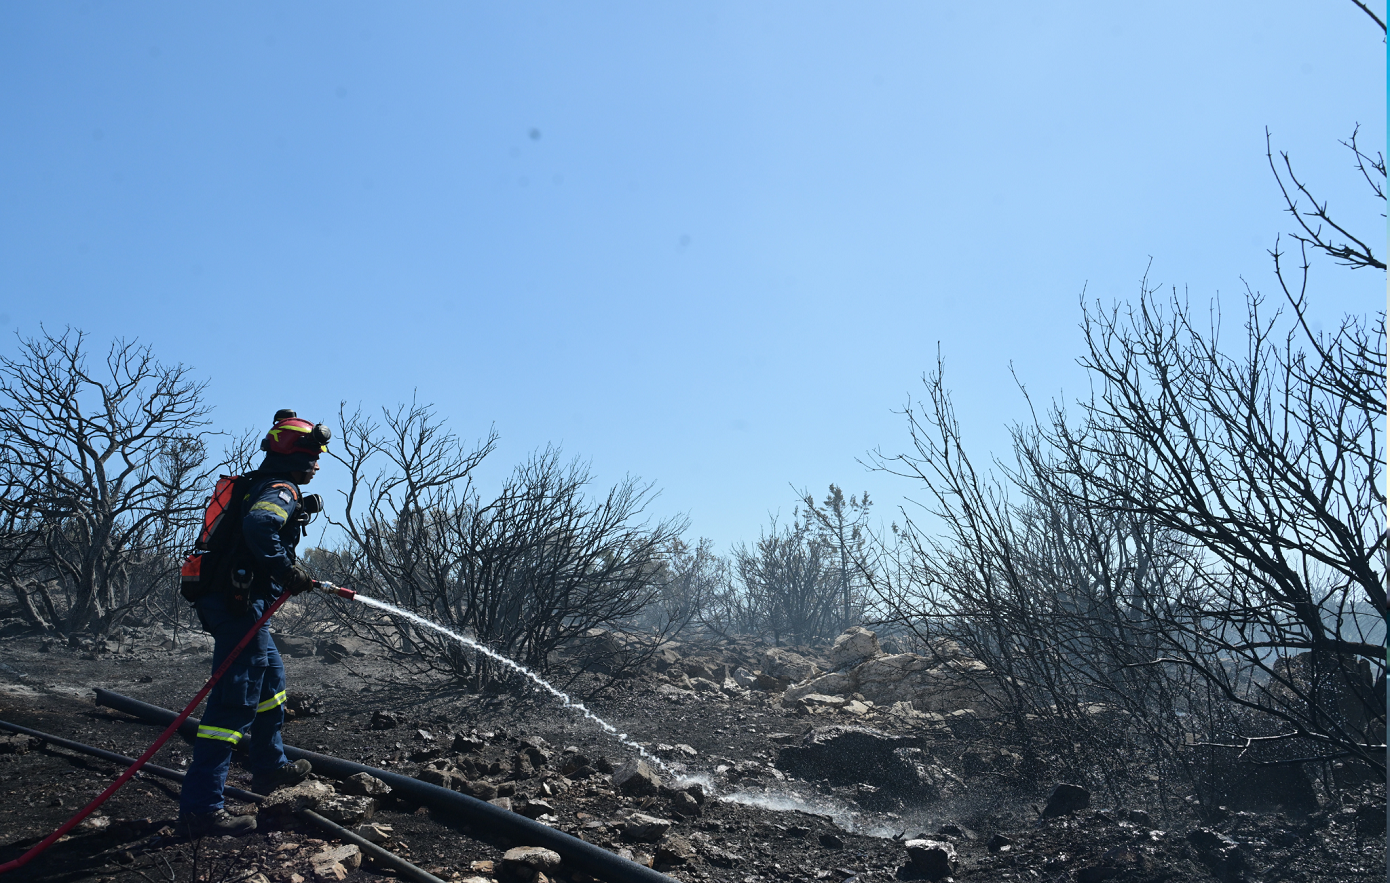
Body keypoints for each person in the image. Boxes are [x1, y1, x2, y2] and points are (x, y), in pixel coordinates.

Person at [177, 409, 331, 838]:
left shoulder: (256, 483)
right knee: (234, 702)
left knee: (271, 681)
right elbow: (261, 525)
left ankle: (270, 767)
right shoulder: (280, 490)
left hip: (231, 599)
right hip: (237, 602)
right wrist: (286, 568)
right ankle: (202, 810)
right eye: (315, 455)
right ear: (296, 457)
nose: (317, 465)